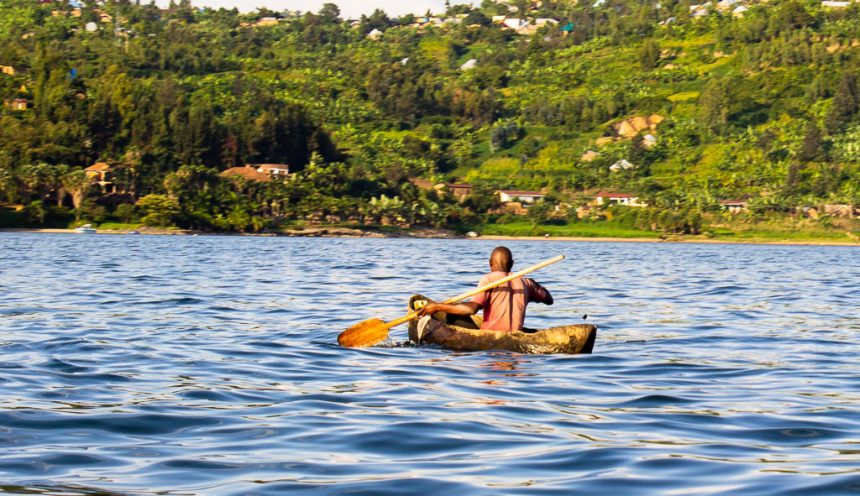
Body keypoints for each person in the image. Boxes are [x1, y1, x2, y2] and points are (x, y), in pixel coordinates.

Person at [418, 246, 553, 332]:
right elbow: (548, 299)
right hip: (515, 335)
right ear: (512, 264)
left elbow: (471, 309)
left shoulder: (488, 279)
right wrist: (532, 284)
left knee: (451, 313)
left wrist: (437, 307)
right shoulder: (526, 283)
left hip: (491, 342)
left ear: (490, 263)